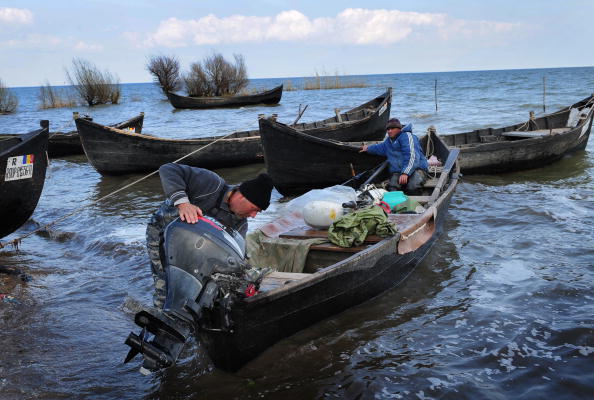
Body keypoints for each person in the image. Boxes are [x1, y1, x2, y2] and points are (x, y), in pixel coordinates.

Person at [146, 162, 274, 308]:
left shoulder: (240, 223)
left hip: (194, 249)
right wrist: (183, 203)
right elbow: (168, 168)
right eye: (254, 209)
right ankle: (160, 314)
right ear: (242, 196)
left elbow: (238, 256)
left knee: (197, 289)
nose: (253, 215)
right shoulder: (210, 183)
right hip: (162, 233)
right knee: (165, 282)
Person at [360, 118, 428, 193]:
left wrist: (405, 173)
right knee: (392, 187)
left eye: (392, 128)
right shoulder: (388, 141)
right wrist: (367, 148)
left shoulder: (407, 137)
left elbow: (412, 157)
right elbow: (378, 148)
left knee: (413, 186)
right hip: (399, 172)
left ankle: (416, 202)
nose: (389, 131)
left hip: (417, 169)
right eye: (388, 129)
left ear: (399, 129)